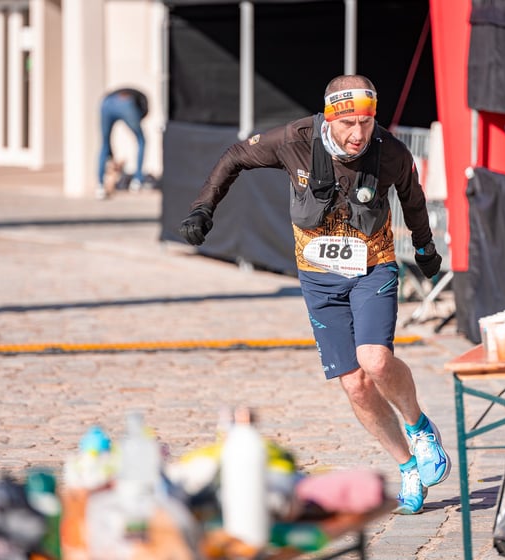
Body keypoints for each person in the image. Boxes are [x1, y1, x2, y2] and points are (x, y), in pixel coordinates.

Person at [179, 75, 449, 514]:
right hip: (318, 275)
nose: (358, 134)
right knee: (355, 385)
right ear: (328, 118)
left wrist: (425, 249)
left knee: (375, 360)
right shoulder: (294, 140)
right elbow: (235, 156)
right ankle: (407, 466)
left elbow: (412, 197)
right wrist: (203, 206)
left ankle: (419, 427)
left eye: (365, 122)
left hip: (371, 265)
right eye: (347, 124)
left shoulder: (389, 151)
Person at [97, 87, 149, 200]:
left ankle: (100, 185)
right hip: (125, 103)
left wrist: (111, 154)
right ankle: (137, 181)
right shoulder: (142, 102)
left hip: (106, 102)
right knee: (141, 139)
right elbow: (139, 116)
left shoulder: (135, 95)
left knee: (105, 143)